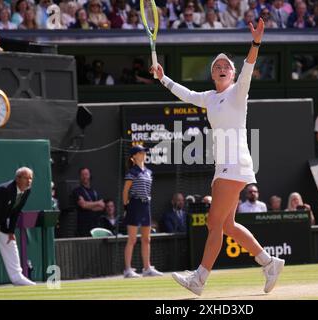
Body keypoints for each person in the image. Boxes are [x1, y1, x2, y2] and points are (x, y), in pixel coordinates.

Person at [154, 17, 285, 296]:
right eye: (217, 67)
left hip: (234, 164)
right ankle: (269, 262)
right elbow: (187, 94)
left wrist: (256, 42)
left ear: (233, 74)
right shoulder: (210, 98)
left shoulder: (239, 92)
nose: (222, 68)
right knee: (227, 224)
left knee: (214, 223)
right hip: (224, 166)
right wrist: (163, 78)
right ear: (213, 75)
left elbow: (249, 66)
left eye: (227, 66)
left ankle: (199, 279)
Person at [0, 167, 36, 289]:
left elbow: (16, 211)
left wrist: (11, 231)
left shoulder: (27, 190)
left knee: (10, 242)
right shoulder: (4, 190)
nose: (29, 181)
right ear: (17, 179)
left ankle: (17, 277)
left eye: (31, 178)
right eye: (26, 178)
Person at [122, 145, 163, 278]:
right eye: (140, 152)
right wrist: (126, 206)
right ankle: (128, 270)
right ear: (134, 156)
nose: (143, 154)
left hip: (146, 206)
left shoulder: (149, 172)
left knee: (147, 239)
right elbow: (125, 191)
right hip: (134, 205)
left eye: (144, 152)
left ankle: (147, 268)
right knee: (132, 239)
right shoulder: (131, 172)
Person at [71, 167, 105, 237]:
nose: (84, 176)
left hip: (95, 226)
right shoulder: (77, 191)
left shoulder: (94, 192)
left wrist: (88, 205)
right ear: (80, 177)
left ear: (89, 175)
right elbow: (83, 205)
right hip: (83, 228)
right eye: (82, 175)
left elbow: (102, 206)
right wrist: (97, 203)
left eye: (86, 174)